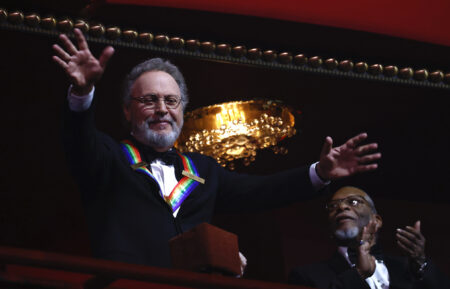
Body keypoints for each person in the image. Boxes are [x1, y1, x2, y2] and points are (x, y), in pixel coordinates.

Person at [52, 28, 381, 269]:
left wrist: (320, 173)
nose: (162, 109)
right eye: (149, 100)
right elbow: (78, 140)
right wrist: (81, 94)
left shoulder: (203, 170)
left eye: (171, 100)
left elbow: (262, 191)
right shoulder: (107, 157)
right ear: (127, 111)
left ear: (183, 109)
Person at [288, 186, 450, 289]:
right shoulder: (307, 276)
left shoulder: (409, 270)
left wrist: (420, 263)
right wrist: (358, 274)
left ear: (376, 220)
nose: (342, 207)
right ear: (330, 227)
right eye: (333, 206)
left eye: (353, 201)